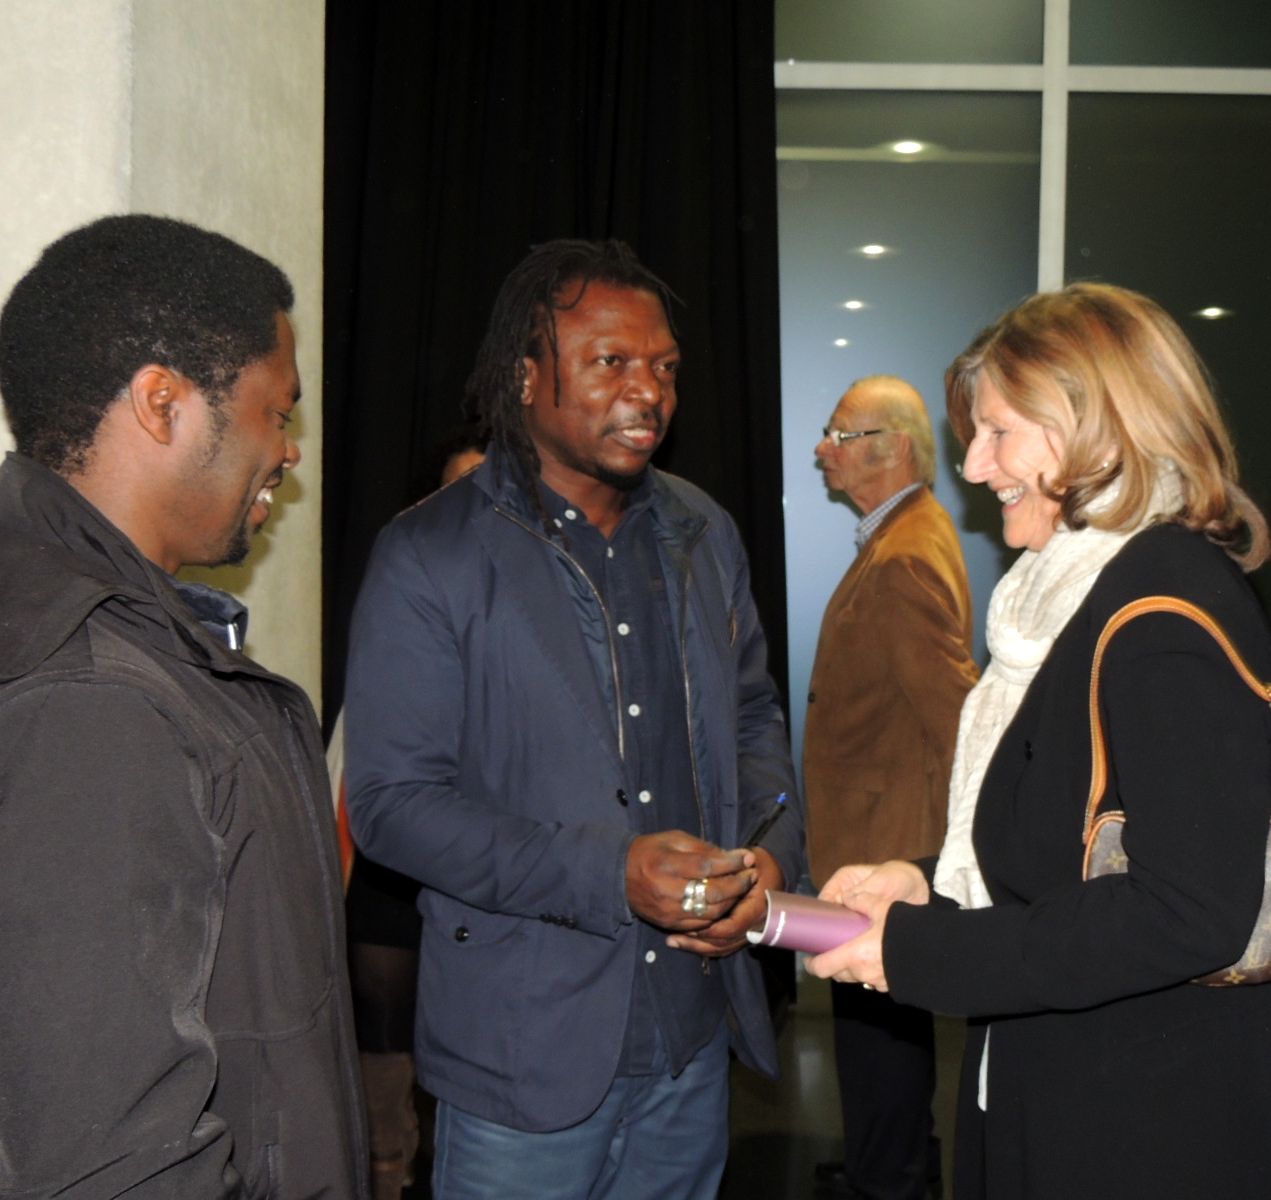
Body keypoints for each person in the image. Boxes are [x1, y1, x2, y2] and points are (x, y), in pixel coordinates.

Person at [810, 283, 1271, 1198]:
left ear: (1096, 429)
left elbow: (1187, 909)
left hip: (1162, 1132)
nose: (974, 465)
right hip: (1091, 1097)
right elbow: (1072, 844)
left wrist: (920, 950)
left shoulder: (1159, 610)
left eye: (999, 431)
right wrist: (927, 881)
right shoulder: (1076, 598)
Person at [344, 239, 802, 1200]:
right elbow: (391, 806)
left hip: (692, 1037)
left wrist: (769, 855)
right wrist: (609, 873)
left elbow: (754, 718)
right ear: (524, 377)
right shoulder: (429, 553)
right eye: (610, 362)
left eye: (665, 368)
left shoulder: (704, 533)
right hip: (523, 1058)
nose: (648, 393)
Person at [0, 215, 367, 1198]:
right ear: (163, 403)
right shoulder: (85, 712)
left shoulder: (8, 591)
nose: (288, 452)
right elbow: (114, 1167)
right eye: (276, 413)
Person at [806, 376, 979, 1200]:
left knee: (878, 1035)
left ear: (894, 448)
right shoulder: (905, 534)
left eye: (841, 435)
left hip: (884, 840)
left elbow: (958, 714)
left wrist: (965, 843)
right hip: (882, 830)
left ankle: (891, 1180)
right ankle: (894, 1162)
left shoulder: (904, 555)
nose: (822, 450)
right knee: (882, 1033)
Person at [333, 419, 492, 1200]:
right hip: (394, 858)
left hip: (494, 864)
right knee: (383, 1029)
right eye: (455, 490)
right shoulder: (402, 576)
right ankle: (387, 1170)